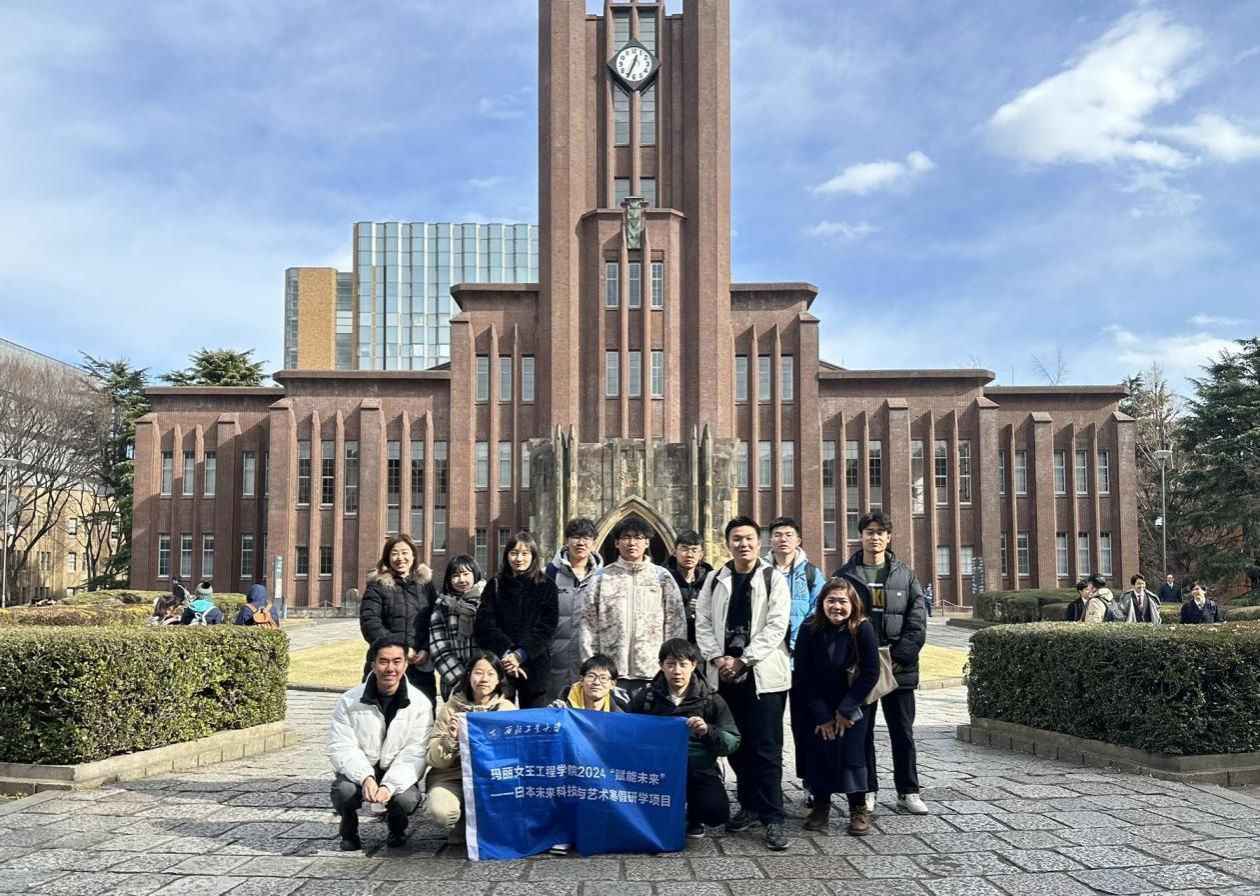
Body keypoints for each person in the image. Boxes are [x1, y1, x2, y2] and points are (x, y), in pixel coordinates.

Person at [695, 515, 792, 851]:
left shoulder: (773, 578)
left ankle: (773, 817)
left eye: (749, 538)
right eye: (736, 538)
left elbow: (777, 625)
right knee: (735, 744)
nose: (743, 544)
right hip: (723, 677)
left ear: (759, 543)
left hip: (762, 677)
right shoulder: (714, 579)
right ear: (728, 544)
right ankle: (750, 804)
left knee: (766, 748)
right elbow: (703, 622)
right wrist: (717, 658)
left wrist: (744, 660)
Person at [834, 510, 928, 816]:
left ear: (888, 537)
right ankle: (868, 789)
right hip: (862, 668)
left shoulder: (905, 574)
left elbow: (917, 620)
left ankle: (908, 791)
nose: (874, 537)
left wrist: (900, 657)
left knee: (903, 732)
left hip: (899, 667)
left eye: (880, 532)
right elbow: (837, 619)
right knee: (863, 733)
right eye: (869, 532)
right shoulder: (845, 575)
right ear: (860, 536)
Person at [791, 576, 880, 836]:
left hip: (854, 704)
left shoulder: (862, 628)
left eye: (842, 601)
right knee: (819, 753)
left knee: (854, 754)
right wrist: (822, 714)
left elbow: (871, 672)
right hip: (817, 706)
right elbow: (802, 674)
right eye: (831, 601)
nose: (837, 607)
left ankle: (858, 808)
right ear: (822, 603)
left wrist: (845, 710)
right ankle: (821, 806)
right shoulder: (809, 628)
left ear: (853, 604)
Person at [328, 635, 434, 851]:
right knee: (344, 790)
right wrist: (365, 777)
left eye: (397, 661)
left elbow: (416, 752)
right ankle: (349, 830)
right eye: (384, 661)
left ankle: (397, 828)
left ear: (406, 664)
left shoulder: (420, 703)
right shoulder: (349, 700)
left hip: (397, 768)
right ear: (373, 665)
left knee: (406, 799)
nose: (390, 668)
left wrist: (390, 785)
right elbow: (342, 747)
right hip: (362, 767)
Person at [628, 638, 740, 839]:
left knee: (716, 812)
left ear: (694, 665)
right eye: (670, 664)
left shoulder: (710, 699)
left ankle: (695, 816)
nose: (677, 671)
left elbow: (732, 742)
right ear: (661, 665)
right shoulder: (646, 698)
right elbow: (626, 733)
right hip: (656, 770)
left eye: (683, 664)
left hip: (698, 768)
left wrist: (708, 731)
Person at [581, 515, 687, 699]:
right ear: (617, 543)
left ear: (647, 542)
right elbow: (588, 626)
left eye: (638, 537)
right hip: (610, 675)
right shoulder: (601, 578)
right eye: (626, 537)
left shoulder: (662, 577)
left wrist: (672, 667)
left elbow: (675, 624)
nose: (632, 543)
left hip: (652, 673)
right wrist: (591, 667)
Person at [425, 651, 516, 846]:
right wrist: (451, 739)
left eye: (490, 674)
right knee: (439, 812)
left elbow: (517, 755)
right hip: (453, 777)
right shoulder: (451, 709)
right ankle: (463, 822)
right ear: (468, 675)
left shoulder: (508, 710)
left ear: (499, 679)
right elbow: (433, 759)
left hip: (492, 779)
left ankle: (482, 825)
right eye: (478, 673)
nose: (484, 679)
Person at [474, 531, 560, 708]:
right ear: (507, 555)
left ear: (533, 556)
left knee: (533, 720)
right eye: (514, 553)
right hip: (501, 667)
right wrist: (507, 655)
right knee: (502, 719)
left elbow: (547, 628)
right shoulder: (495, 585)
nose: (519, 558)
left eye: (525, 553)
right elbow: (484, 625)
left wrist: (521, 654)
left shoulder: (546, 586)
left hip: (534, 666)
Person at [360, 534, 439, 706]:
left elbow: (436, 621)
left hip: (420, 665)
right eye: (394, 553)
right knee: (380, 713)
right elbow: (370, 623)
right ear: (387, 557)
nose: (400, 558)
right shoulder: (377, 585)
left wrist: (426, 648)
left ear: (413, 555)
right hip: (387, 664)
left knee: (422, 713)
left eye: (405, 552)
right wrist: (401, 650)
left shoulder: (426, 585)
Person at [545, 517, 605, 697]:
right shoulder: (548, 574)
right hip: (554, 661)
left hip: (590, 662)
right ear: (566, 540)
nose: (581, 543)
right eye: (576, 537)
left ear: (594, 542)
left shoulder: (603, 577)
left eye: (586, 538)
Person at [429, 555, 487, 700]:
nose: (461, 579)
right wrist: (463, 681)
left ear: (475, 575)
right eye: (456, 575)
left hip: (486, 682)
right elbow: (438, 649)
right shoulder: (442, 608)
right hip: (455, 685)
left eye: (466, 574)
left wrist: (482, 677)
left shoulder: (487, 602)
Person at [766, 517, 825, 652]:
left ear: (798, 541)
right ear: (770, 542)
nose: (783, 539)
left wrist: (797, 640)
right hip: (767, 647)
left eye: (789, 535)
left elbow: (818, 607)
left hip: (801, 646)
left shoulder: (811, 572)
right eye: (777, 535)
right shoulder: (761, 571)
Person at [666, 529, 713, 644]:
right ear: (674, 552)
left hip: (702, 644)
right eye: (684, 549)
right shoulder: (664, 579)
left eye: (694, 550)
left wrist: (704, 609)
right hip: (671, 642)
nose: (690, 555)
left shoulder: (710, 580)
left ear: (700, 555)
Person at [551, 653, 629, 712]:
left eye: (603, 678)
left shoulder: (618, 716)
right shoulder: (562, 708)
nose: (596, 682)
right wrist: (552, 715)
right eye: (591, 676)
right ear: (581, 680)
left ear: (613, 684)